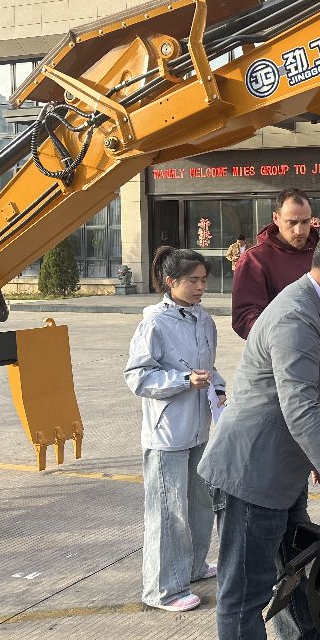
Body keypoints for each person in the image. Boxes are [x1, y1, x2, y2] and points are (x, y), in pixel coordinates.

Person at [200, 228, 320, 640]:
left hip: (281, 470)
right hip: (251, 475)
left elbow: (311, 401)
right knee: (244, 592)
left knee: (294, 566)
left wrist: (318, 460)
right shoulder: (296, 316)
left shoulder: (311, 307)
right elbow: (299, 407)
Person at [231, 187, 320, 525]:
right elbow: (245, 318)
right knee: (299, 425)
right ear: (275, 219)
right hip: (282, 363)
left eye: (305, 222)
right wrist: (293, 331)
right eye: (292, 223)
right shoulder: (256, 259)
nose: (300, 230)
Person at [124, 247, 225, 612]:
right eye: (193, 281)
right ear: (171, 282)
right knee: (169, 511)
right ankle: (162, 588)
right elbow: (137, 376)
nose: (201, 287)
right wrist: (183, 380)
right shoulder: (154, 322)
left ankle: (194, 567)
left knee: (200, 503)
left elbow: (208, 368)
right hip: (167, 432)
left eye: (203, 280)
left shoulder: (203, 319)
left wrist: (219, 387)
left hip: (199, 426)